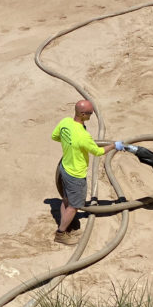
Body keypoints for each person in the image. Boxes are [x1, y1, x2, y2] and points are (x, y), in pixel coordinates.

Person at [51, 100, 126, 245]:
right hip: (76, 175)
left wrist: (70, 144)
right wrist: (114, 146)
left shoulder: (65, 122)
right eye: (90, 113)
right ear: (83, 114)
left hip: (65, 168)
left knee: (66, 200)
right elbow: (98, 151)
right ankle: (61, 233)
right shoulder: (84, 137)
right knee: (74, 206)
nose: (92, 115)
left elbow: (54, 137)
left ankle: (67, 223)